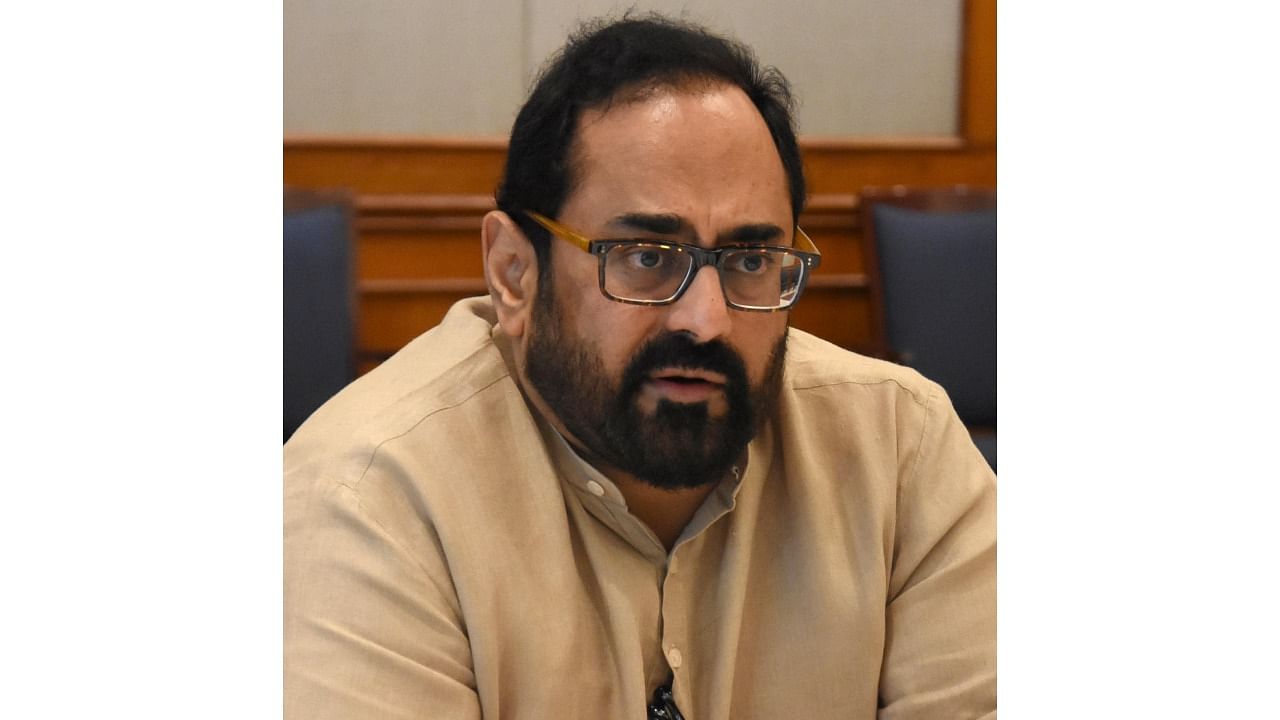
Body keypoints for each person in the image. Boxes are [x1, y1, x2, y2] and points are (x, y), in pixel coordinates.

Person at [285, 13, 995, 719]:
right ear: (512, 273)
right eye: (648, 257)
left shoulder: (901, 448)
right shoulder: (367, 498)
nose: (706, 319)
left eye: (750, 261)